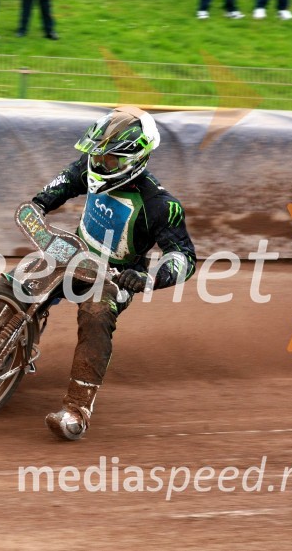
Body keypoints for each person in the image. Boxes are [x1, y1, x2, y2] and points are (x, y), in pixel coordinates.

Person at [30, 106, 197, 440]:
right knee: (19, 282)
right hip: (74, 253)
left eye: (110, 159)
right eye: (97, 155)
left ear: (135, 159)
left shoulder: (160, 205)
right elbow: (67, 181)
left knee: (96, 315)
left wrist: (149, 279)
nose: (99, 164)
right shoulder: (92, 165)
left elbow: (184, 257)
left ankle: (77, 410)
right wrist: (39, 204)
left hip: (115, 277)